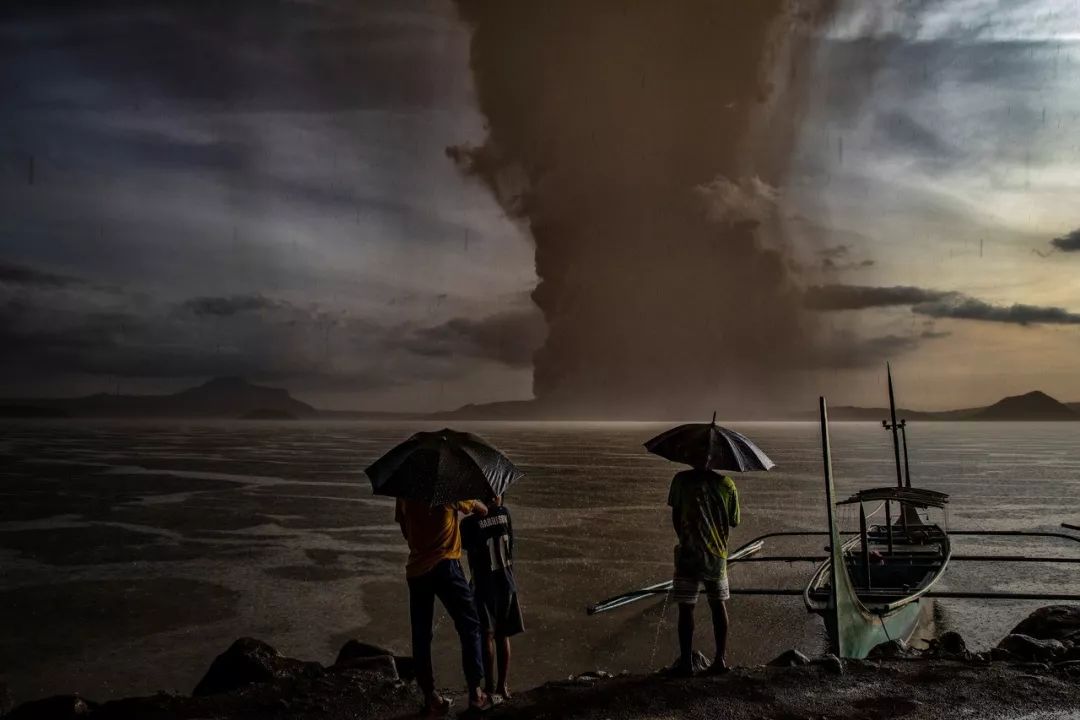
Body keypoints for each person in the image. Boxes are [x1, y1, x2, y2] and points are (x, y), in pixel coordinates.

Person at [396, 497, 493, 715]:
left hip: (416, 570)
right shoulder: (448, 487)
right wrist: (456, 515)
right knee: (470, 626)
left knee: (421, 635)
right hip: (446, 565)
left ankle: (431, 696)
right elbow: (482, 510)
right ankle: (476, 693)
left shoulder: (405, 491)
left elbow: (405, 532)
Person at [666, 465, 740, 676]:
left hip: (688, 555)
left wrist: (686, 537)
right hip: (716, 557)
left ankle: (687, 663)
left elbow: (676, 516)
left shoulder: (680, 480)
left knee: (686, 608)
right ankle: (720, 660)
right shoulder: (727, 485)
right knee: (718, 605)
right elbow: (734, 521)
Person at [460, 495, 524, 700]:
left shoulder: (469, 523)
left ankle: (489, 687)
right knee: (502, 635)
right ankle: (503, 686)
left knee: (486, 636)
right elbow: (510, 547)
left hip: (484, 584)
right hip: (506, 582)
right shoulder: (505, 514)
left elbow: (468, 552)